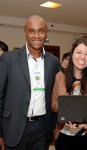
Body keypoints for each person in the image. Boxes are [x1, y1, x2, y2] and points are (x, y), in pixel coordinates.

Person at [0, 15, 59, 150]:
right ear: (25, 32)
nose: (36, 35)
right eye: (31, 31)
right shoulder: (8, 59)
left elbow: (54, 96)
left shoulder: (54, 62)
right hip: (13, 127)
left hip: (42, 128)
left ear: (46, 33)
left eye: (41, 31)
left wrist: (53, 128)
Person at [52, 39, 87, 150]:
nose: (83, 57)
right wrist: (66, 113)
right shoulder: (60, 76)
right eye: (79, 52)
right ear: (72, 54)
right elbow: (53, 102)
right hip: (64, 135)